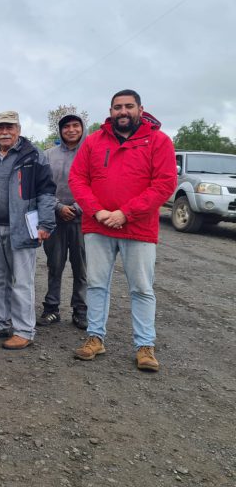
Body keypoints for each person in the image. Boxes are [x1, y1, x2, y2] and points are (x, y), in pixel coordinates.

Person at [69, 90, 177, 372]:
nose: (123, 111)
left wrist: (125, 214)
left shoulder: (158, 141)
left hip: (138, 228)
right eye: (118, 107)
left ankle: (145, 346)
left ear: (141, 109)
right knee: (96, 284)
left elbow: (164, 184)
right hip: (98, 225)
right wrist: (99, 211)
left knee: (141, 288)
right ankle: (95, 337)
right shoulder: (93, 142)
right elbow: (78, 179)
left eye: (129, 106)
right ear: (110, 110)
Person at [0, 111, 56, 350]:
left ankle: (24, 330)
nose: (4, 132)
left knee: (22, 281)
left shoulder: (32, 155)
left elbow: (47, 191)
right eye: (0, 128)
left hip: (22, 227)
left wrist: (46, 223)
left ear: (18, 128)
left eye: (9, 127)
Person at [38, 114, 89, 330]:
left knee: (81, 268)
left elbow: (96, 185)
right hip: (55, 219)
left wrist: (77, 207)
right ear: (60, 131)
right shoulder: (48, 155)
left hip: (83, 220)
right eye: (66, 126)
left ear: (82, 128)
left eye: (75, 125)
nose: (71, 130)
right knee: (54, 265)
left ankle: (81, 310)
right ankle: (51, 309)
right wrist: (58, 207)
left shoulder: (91, 153)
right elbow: (42, 185)